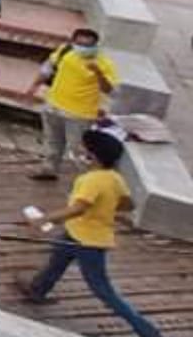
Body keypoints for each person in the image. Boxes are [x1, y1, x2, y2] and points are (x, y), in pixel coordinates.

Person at [18, 128, 164, 336]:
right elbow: (128, 204)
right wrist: (105, 206)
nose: (80, 150)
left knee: (102, 290)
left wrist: (44, 219)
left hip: (88, 242)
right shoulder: (114, 178)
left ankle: (146, 330)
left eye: (84, 148)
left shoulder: (91, 180)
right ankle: (38, 290)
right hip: (77, 233)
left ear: (93, 156)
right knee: (56, 261)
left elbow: (78, 208)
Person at [33, 27, 119, 181]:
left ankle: (85, 181)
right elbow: (48, 67)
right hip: (54, 104)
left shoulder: (103, 63)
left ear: (96, 46)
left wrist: (98, 73)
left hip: (80, 114)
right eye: (79, 44)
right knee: (52, 140)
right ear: (73, 42)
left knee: (78, 150)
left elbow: (109, 90)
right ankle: (49, 169)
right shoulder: (65, 51)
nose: (83, 48)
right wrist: (34, 86)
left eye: (88, 45)